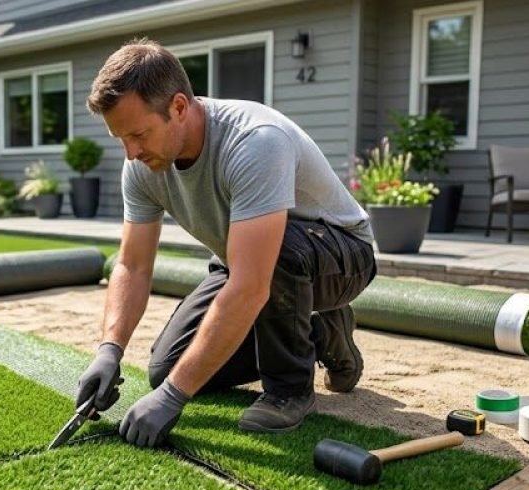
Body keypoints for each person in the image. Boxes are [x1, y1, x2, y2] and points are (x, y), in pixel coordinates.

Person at [75, 39, 377, 448]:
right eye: (121, 138)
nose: (131, 153)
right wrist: (110, 349)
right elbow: (133, 265)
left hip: (340, 255)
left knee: (275, 260)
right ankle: (317, 328)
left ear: (179, 108)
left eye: (139, 134)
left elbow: (252, 283)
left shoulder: (255, 141)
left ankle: (290, 389)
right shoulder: (143, 166)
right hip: (246, 260)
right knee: (166, 369)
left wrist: (172, 399)